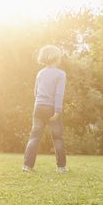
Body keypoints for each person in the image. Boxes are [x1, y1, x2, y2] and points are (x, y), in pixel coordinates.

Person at [23, 44, 68, 173]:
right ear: (56, 58)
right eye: (59, 57)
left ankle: (27, 166)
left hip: (38, 107)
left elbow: (35, 91)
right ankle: (61, 167)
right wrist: (58, 110)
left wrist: (39, 104)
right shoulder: (60, 74)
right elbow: (59, 94)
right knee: (58, 137)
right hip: (51, 108)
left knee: (34, 137)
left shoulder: (40, 73)